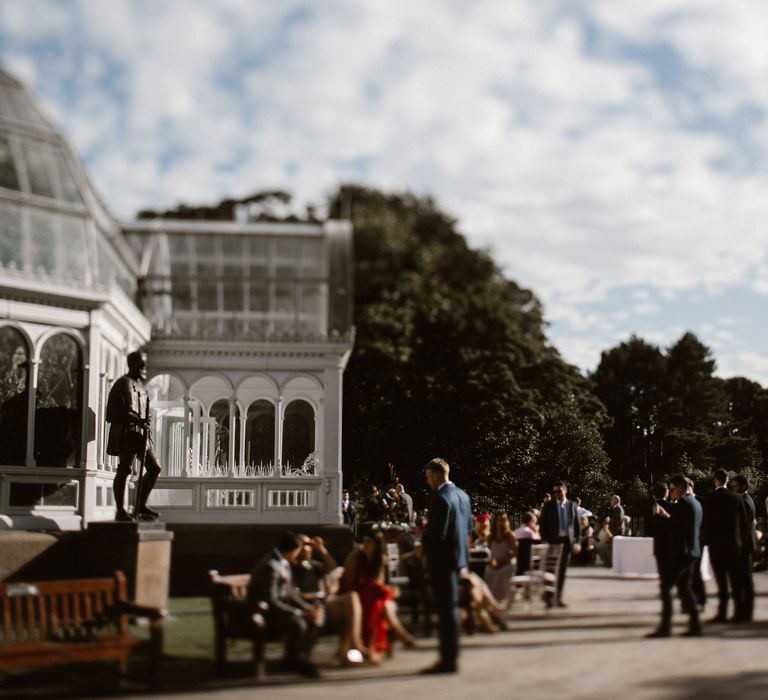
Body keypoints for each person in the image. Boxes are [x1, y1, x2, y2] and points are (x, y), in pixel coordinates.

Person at [420, 457, 473, 674]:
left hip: (442, 561)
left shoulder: (440, 499)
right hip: (459, 558)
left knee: (446, 610)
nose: (427, 482)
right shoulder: (463, 496)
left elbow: (437, 534)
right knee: (451, 608)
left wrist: (423, 534)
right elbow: (468, 528)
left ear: (434, 475)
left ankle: (448, 659)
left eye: (427, 477)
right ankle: (451, 655)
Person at [248, 531, 322, 677]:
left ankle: (297, 658)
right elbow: (271, 599)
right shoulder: (271, 565)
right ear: (293, 550)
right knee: (298, 623)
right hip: (265, 613)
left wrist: (308, 608)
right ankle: (295, 660)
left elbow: (290, 593)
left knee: (315, 619)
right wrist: (298, 612)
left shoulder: (283, 562)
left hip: (278, 609)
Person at [340, 532, 415, 663]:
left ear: (376, 545)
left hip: (373, 597)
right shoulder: (356, 557)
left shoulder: (379, 560)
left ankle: (375, 647)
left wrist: (389, 589)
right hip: (356, 595)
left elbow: (380, 584)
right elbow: (348, 584)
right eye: (364, 542)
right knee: (381, 603)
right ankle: (399, 633)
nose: (365, 545)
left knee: (383, 603)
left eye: (369, 542)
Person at [292, 534, 365, 665]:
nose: (309, 548)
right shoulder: (291, 567)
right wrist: (317, 596)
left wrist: (322, 550)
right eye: (305, 545)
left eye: (310, 545)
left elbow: (332, 568)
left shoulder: (313, 566)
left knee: (351, 598)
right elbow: (294, 594)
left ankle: (349, 649)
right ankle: (354, 646)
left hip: (322, 605)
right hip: (308, 607)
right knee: (349, 603)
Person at [106, 350, 162, 522]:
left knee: (154, 468)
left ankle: (140, 506)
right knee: (125, 469)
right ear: (132, 364)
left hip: (142, 434)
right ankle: (120, 510)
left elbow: (145, 411)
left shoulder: (141, 387)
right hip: (127, 432)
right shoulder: (122, 383)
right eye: (141, 363)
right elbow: (112, 412)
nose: (145, 367)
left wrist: (146, 420)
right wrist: (135, 419)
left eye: (145, 363)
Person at [647, 473, 703, 638]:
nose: (671, 493)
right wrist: (668, 516)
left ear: (679, 487)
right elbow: (683, 524)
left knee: (666, 587)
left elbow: (675, 527)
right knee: (685, 587)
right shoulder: (695, 502)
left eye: (672, 489)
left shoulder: (684, 502)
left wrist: (660, 516)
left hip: (682, 552)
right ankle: (695, 625)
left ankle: (666, 627)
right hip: (692, 550)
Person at [702, 468, 747, 623]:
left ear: (716, 480)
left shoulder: (710, 499)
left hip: (716, 545)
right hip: (734, 545)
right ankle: (739, 612)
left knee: (721, 581)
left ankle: (722, 613)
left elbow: (705, 523)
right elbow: (744, 524)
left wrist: (706, 542)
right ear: (727, 480)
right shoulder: (736, 498)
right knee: (735, 580)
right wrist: (741, 542)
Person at [539, 479, 581, 607]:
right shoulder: (548, 506)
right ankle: (549, 598)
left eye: (559, 491)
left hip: (567, 542)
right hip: (553, 541)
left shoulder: (572, 505)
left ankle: (559, 598)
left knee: (562, 571)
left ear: (565, 490)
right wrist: (545, 540)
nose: (557, 493)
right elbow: (542, 525)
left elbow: (576, 526)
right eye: (555, 491)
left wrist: (577, 542)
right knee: (550, 569)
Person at [732, 474, 756, 622]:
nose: (733, 489)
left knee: (743, 580)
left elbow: (743, 527)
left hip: (744, 546)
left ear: (743, 487)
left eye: (735, 486)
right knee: (744, 580)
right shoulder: (746, 500)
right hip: (746, 545)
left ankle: (744, 613)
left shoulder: (744, 502)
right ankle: (744, 612)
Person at [483, 513, 517, 605]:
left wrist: (505, 560)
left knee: (503, 572)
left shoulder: (509, 535)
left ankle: (503, 599)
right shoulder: (491, 537)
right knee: (488, 571)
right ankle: (491, 599)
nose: (500, 522)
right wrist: (492, 561)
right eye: (498, 520)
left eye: (502, 520)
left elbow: (515, 552)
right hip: (495, 561)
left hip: (507, 561)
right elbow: (488, 552)